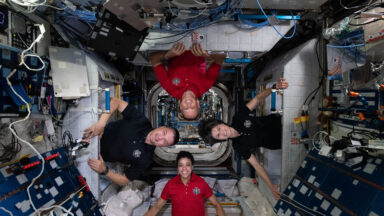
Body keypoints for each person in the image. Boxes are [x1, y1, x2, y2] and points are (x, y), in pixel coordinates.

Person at [198, 78, 289, 200]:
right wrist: (271, 186)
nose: (223, 132)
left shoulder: (239, 117)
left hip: (282, 122)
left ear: (221, 123)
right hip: (280, 142)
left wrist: (273, 88)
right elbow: (256, 165)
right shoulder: (239, 147)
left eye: (219, 128)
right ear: (220, 140)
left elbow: (257, 99)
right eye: (218, 136)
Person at [84, 97, 179, 186]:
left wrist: (105, 171)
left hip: (92, 156)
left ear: (163, 146)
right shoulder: (141, 120)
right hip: (92, 131)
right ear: (161, 127)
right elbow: (115, 101)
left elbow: (125, 180)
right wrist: (101, 123)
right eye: (164, 132)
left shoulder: (146, 159)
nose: (160, 137)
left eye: (165, 141)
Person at [149, 42, 226, 120]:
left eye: (186, 109)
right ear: (198, 104)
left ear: (180, 106)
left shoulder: (170, 88)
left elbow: (153, 58)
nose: (189, 105)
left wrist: (167, 55)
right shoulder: (205, 86)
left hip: (175, 41)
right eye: (192, 108)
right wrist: (207, 55)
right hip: (198, 41)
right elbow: (221, 57)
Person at [144, 151, 225, 216]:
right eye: (181, 165)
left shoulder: (201, 183)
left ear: (192, 167)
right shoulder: (170, 184)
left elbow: (217, 204)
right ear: (177, 168)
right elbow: (157, 207)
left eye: (188, 165)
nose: (184, 168)